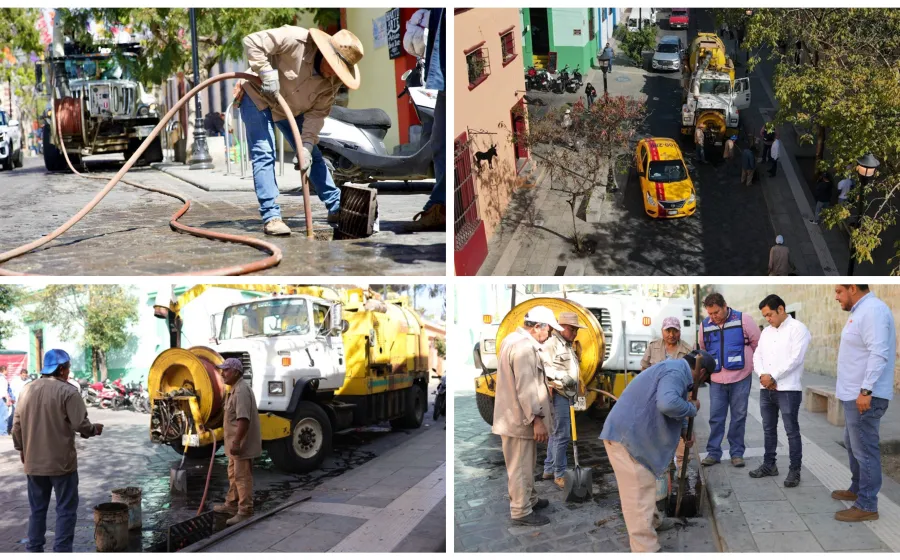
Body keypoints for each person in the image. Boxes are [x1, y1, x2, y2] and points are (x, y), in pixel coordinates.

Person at [236, 26, 364, 236]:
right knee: (264, 152)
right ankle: (271, 217)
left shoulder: (331, 84)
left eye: (339, 69)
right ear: (324, 53)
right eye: (333, 65)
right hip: (258, 95)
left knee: (312, 155)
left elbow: (315, 117)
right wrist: (267, 73)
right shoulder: (296, 39)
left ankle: (336, 207)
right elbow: (252, 41)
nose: (333, 72)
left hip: (292, 108)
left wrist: (304, 147)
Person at [600, 350, 716, 552]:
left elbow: (665, 402)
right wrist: (691, 407)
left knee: (645, 486)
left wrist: (682, 431)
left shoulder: (676, 369)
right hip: (628, 439)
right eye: (704, 380)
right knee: (638, 496)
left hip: (635, 437)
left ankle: (652, 521)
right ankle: (646, 548)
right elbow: (668, 404)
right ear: (702, 372)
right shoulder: (676, 373)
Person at [12, 349, 103, 553]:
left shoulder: (26, 390)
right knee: (66, 511)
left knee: (37, 510)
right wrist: (93, 429)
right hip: (62, 465)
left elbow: (16, 426)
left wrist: (21, 448)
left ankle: (34, 551)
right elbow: (81, 424)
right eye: (68, 368)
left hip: (34, 464)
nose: (69, 372)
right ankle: (61, 553)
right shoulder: (68, 392)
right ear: (62, 370)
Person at [832, 285, 896, 522]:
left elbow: (879, 353)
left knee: (865, 449)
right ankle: (857, 488)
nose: (836, 296)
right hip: (854, 394)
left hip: (865, 396)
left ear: (852, 288)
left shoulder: (873, 311)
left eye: (839, 291)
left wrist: (866, 390)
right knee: (852, 442)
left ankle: (868, 504)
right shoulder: (860, 312)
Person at [493, 306, 557, 526]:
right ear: (538, 327)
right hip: (520, 419)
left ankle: (529, 498)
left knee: (526, 463)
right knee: (520, 466)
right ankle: (521, 511)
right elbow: (526, 388)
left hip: (515, 417)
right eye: (548, 330)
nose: (548, 335)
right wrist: (537, 419)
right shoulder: (524, 348)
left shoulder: (511, 340)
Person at [750, 294, 811, 487]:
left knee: (791, 431)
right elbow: (757, 355)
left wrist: (773, 377)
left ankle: (795, 471)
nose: (768, 319)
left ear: (781, 309)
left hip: (788, 389)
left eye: (769, 314)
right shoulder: (766, 332)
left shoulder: (798, 329)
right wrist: (762, 376)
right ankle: (769, 465)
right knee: (768, 429)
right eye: (765, 316)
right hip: (765, 388)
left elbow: (795, 359)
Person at [699, 293, 761, 468]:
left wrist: (754, 367)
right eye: (710, 313)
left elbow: (758, 345)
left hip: (741, 378)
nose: (713, 317)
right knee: (716, 417)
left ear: (725, 306)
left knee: (738, 416)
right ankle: (713, 453)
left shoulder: (744, 320)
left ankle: (736, 453)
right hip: (717, 380)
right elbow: (703, 351)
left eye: (716, 312)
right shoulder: (704, 326)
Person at [403, 8, 446, 232]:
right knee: (439, 146)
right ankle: (439, 206)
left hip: (448, 78)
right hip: (441, 80)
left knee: (443, 146)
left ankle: (439, 205)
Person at [213, 358, 262, 526]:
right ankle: (232, 505)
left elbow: (243, 420)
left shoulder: (241, 391)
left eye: (226, 370)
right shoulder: (234, 389)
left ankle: (245, 511)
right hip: (235, 445)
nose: (222, 373)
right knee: (234, 475)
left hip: (241, 445)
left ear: (235, 372)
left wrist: (236, 442)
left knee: (242, 477)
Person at [540, 311, 584, 490]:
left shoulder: (566, 344)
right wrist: (560, 376)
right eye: (572, 329)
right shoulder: (552, 344)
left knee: (556, 433)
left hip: (567, 394)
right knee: (562, 435)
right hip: (558, 394)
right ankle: (559, 474)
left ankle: (549, 468)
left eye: (576, 330)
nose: (575, 333)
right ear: (563, 327)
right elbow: (543, 365)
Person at [9, 368, 31, 435]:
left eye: (25, 375)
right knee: (15, 416)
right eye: (23, 375)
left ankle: (23, 430)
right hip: (16, 401)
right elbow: (11, 390)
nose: (24, 376)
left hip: (26, 401)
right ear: (20, 374)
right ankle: (12, 430)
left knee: (25, 416)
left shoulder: (29, 381)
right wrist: (12, 398)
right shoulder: (15, 381)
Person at [0, 366, 8, 436]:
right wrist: (8, 399)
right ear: (4, 370)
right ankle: (3, 432)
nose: (7, 372)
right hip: (2, 399)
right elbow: (3, 391)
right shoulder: (3, 379)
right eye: (6, 370)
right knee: (3, 416)